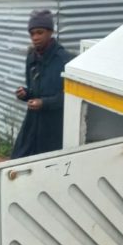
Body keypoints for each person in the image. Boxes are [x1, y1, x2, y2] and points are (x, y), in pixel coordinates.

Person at [12, 9, 73, 158]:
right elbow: (35, 91)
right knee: (19, 161)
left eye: (40, 32)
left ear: (50, 32)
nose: (35, 37)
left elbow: (70, 97)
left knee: (47, 165)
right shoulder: (32, 57)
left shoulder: (64, 60)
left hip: (53, 129)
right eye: (32, 34)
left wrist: (44, 103)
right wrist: (26, 94)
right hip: (32, 125)